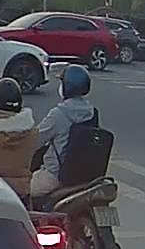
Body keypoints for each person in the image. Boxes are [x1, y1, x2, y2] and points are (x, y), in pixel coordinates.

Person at [31, 64, 97, 198]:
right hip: (84, 175)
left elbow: (34, 141)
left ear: (67, 87)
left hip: (55, 176)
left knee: (17, 191)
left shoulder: (59, 114)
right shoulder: (92, 113)